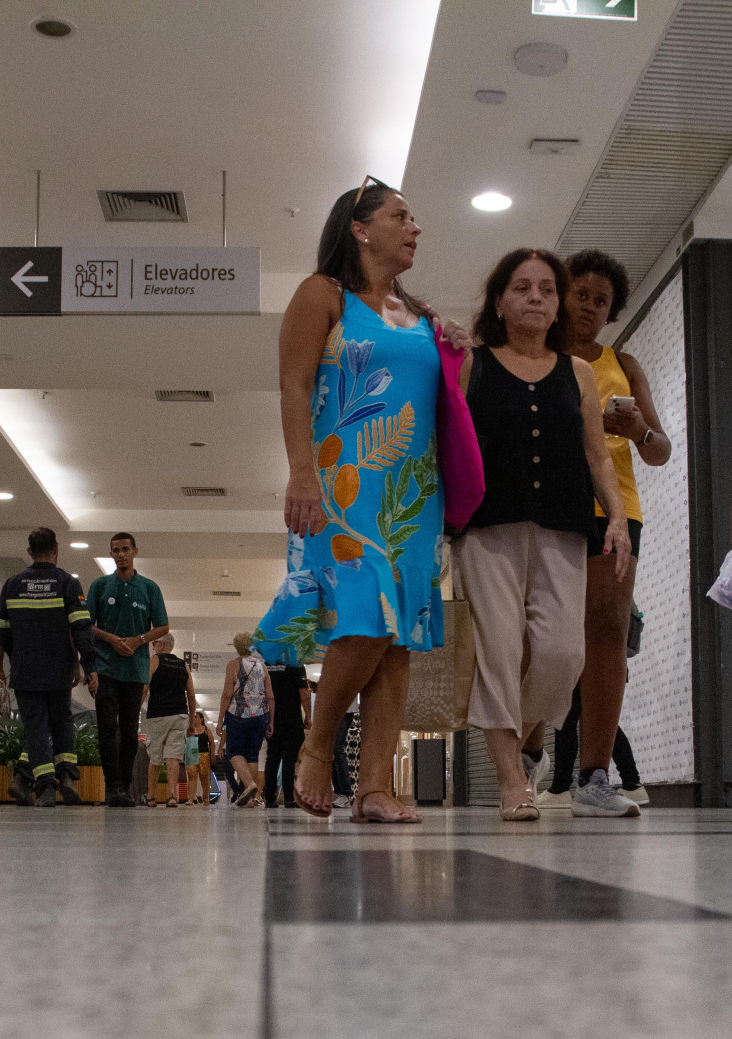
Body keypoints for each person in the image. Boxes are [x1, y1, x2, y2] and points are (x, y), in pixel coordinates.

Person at [252, 177, 450, 824]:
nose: (415, 227)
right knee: (366, 617)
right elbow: (294, 386)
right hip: (345, 482)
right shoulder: (323, 294)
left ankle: (372, 789)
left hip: (413, 492)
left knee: (398, 640)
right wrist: (300, 474)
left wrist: (460, 351)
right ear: (360, 229)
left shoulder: (422, 317)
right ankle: (317, 746)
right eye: (400, 216)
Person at [455, 249, 632, 821]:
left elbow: (597, 455)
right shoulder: (473, 364)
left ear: (558, 306)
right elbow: (446, 445)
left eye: (547, 289)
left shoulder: (577, 373)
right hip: (487, 526)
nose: (536, 297)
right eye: (522, 287)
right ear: (498, 302)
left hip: (565, 525)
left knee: (563, 655)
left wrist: (617, 518)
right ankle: (512, 780)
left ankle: (524, 744)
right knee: (500, 649)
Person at [558, 248, 671, 815]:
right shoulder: (541, 356)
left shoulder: (624, 364)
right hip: (550, 506)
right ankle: (526, 755)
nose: (590, 307)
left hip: (616, 510)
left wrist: (638, 429)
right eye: (581, 294)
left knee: (607, 632)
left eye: (601, 301)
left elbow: (660, 451)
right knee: (545, 636)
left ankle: (595, 774)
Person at [0, 526, 99, 808]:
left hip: (25, 670)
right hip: (58, 669)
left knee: (36, 727)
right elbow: (81, 628)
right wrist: (87, 665)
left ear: (29, 551)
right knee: (62, 722)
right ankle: (67, 776)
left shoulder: (12, 584)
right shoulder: (67, 583)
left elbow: (1, 629)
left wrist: (1, 663)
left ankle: (45, 787)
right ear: (56, 549)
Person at [86, 532, 169, 808]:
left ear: (134, 551)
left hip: (135, 670)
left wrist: (138, 640)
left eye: (125, 549)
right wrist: (110, 638)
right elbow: (86, 625)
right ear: (111, 554)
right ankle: (112, 787)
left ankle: (124, 785)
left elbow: (162, 626)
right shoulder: (100, 586)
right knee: (107, 727)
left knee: (130, 731)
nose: (121, 554)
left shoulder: (149, 588)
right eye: (116, 550)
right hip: (105, 667)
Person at [216, 631, 274, 807]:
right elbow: (270, 696)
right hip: (260, 716)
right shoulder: (262, 666)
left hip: (238, 714)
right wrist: (271, 720)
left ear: (236, 646)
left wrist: (220, 719)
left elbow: (227, 694)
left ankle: (249, 785)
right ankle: (248, 799)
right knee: (252, 755)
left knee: (233, 752)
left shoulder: (233, 665)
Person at [143, 636, 197, 807]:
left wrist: (137, 707)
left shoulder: (154, 660)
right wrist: (192, 722)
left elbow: (145, 686)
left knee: (155, 756)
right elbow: (191, 695)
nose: (153, 646)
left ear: (161, 644)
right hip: (179, 715)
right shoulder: (183, 665)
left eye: (154, 643)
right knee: (173, 756)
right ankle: (172, 796)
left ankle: (151, 797)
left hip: (158, 714)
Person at [263, 657, 312, 807]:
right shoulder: (295, 664)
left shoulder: (267, 663)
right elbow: (304, 693)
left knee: (272, 757)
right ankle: (289, 797)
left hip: (271, 718)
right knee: (289, 758)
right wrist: (308, 716)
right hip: (292, 718)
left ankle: (270, 797)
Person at [186, 711, 211, 804]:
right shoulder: (189, 729)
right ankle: (191, 798)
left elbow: (212, 742)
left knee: (204, 777)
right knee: (191, 776)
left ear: (201, 719)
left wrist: (212, 755)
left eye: (195, 717)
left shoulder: (206, 729)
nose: (193, 718)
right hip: (191, 754)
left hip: (204, 754)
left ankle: (206, 797)